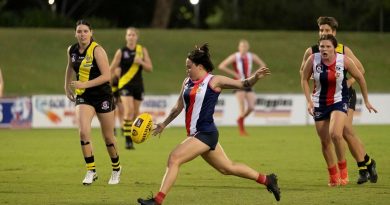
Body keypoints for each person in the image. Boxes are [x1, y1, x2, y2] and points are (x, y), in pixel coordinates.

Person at [137, 44, 280, 205]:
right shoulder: (187, 82)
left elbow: (243, 84)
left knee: (174, 158)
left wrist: (255, 77)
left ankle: (157, 201)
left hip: (205, 133)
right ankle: (267, 179)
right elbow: (178, 106)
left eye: (189, 67)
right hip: (197, 135)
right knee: (227, 168)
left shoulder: (214, 81)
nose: (187, 70)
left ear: (199, 66)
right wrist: (163, 124)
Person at [299, 16, 378, 185]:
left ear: (334, 32)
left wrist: (349, 82)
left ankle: (362, 168)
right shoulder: (312, 52)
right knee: (338, 134)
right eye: (321, 30)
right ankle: (368, 163)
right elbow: (303, 72)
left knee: (343, 131)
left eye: (327, 31)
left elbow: (361, 70)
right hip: (323, 96)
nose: (323, 33)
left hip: (344, 94)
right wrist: (312, 76)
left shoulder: (343, 50)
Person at [64, 19, 121, 185]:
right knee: (83, 132)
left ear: (91, 32)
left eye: (85, 31)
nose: (82, 34)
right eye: (79, 31)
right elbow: (69, 67)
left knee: (108, 137)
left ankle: (116, 169)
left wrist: (84, 83)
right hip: (84, 96)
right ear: (75, 33)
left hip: (102, 96)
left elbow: (106, 76)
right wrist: (66, 86)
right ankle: (91, 170)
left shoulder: (97, 50)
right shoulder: (72, 50)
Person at [110, 27, 153, 149]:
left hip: (138, 85)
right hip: (124, 84)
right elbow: (111, 68)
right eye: (129, 35)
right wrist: (107, 81)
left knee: (135, 113)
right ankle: (128, 141)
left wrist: (141, 62)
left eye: (133, 35)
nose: (131, 37)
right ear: (126, 37)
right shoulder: (121, 52)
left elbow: (150, 68)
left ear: (137, 37)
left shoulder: (142, 50)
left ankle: (134, 135)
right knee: (128, 111)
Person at [218, 39, 266, 136]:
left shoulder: (251, 56)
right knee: (242, 107)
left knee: (252, 106)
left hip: (248, 82)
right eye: (242, 46)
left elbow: (263, 65)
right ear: (239, 47)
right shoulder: (235, 56)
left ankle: (240, 119)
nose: (243, 48)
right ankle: (242, 130)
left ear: (248, 47)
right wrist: (234, 73)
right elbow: (222, 66)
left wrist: (254, 74)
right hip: (238, 83)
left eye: (245, 46)